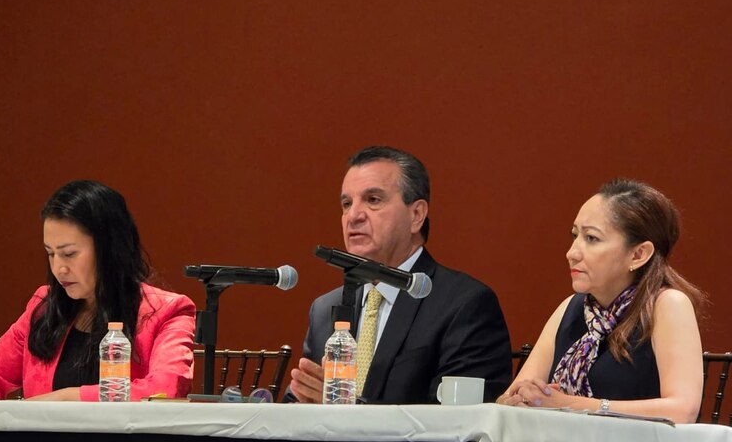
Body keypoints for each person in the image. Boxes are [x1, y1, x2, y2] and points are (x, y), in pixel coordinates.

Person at [289, 146, 512, 404]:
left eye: (373, 200)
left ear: (416, 215)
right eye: (346, 204)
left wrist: (345, 410)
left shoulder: (465, 304)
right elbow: (300, 402)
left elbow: (458, 423)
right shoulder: (324, 309)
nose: (353, 216)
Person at [0, 180, 196, 401]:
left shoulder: (166, 311)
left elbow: (166, 389)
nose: (58, 268)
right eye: (50, 253)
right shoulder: (44, 306)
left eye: (69, 253)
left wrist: (66, 398)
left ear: (109, 249)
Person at [498, 179, 704, 423]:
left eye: (592, 238)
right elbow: (509, 397)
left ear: (638, 254)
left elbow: (682, 410)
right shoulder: (570, 307)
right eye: (575, 236)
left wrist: (572, 405)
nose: (572, 253)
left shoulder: (668, 305)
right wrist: (520, 398)